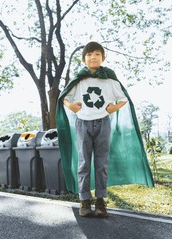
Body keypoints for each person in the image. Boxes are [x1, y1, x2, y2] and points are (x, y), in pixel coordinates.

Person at [56, 41, 154, 218]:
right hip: (83, 123)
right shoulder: (79, 79)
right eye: (89, 55)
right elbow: (64, 97)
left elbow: (124, 98)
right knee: (84, 162)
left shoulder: (109, 79)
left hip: (102, 123)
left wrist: (113, 108)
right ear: (84, 58)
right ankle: (85, 201)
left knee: (101, 164)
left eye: (97, 55)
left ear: (103, 58)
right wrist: (70, 106)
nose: (93, 57)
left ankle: (100, 200)